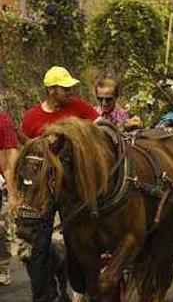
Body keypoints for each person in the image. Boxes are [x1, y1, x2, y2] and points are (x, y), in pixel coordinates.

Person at [21, 66, 99, 302]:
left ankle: (80, 288)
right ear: (51, 90)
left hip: (73, 189)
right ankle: (45, 296)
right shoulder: (32, 117)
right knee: (37, 247)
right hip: (43, 190)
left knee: (76, 242)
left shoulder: (79, 108)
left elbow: (99, 127)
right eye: (64, 88)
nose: (69, 92)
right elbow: (27, 153)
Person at [0, 109, 19, 286]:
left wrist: (13, 192)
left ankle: (3, 266)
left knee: (1, 227)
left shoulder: (3, 121)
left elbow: (9, 158)